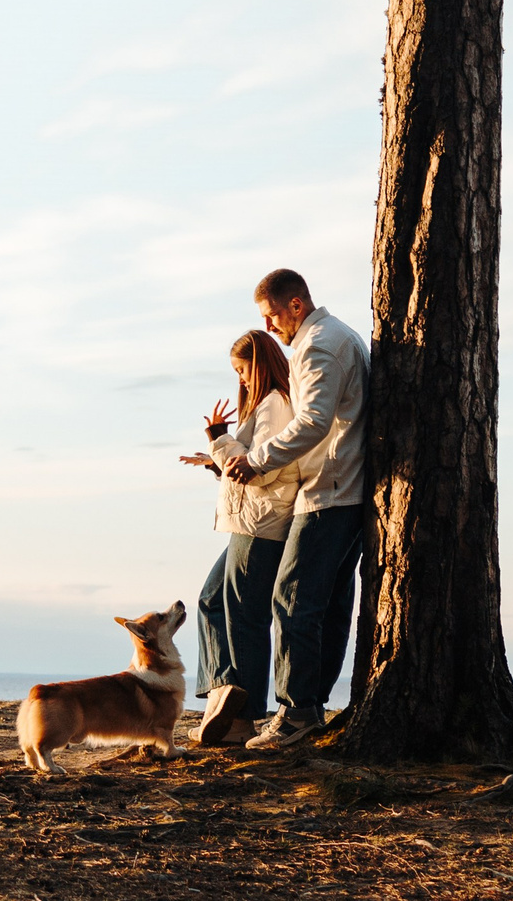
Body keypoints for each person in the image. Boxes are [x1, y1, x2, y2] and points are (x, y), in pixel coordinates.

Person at [208, 266, 367, 749]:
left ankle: (296, 717)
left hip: (328, 490)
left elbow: (314, 423)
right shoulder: (342, 336)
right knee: (328, 603)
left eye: (271, 315)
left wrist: (256, 461)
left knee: (292, 598)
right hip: (346, 487)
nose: (271, 327)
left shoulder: (319, 345)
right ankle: (309, 708)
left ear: (295, 305)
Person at [179, 329, 301, 747]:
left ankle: (241, 718)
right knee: (212, 601)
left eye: (243, 369)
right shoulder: (266, 405)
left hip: (262, 525)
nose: (242, 379)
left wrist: (217, 440)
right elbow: (244, 465)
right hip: (249, 522)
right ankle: (222, 699)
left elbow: (262, 467)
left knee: (245, 618)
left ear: (261, 364)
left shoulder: (276, 405)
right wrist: (216, 460)